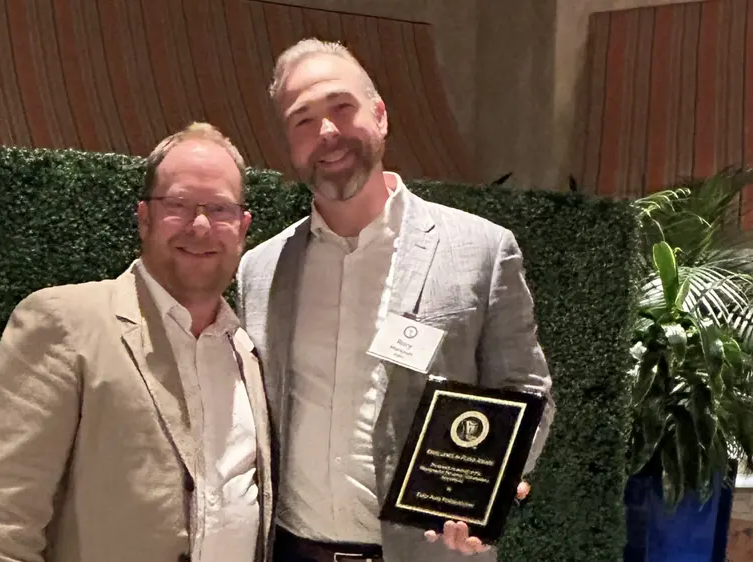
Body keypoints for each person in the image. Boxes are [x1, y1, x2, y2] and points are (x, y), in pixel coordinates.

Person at [235, 39, 555, 561]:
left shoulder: (482, 250)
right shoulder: (260, 269)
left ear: (380, 116)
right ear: (289, 143)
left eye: (342, 107)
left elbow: (525, 389)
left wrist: (493, 489)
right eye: (303, 120)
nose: (327, 131)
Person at [0, 122, 274, 562]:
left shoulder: (247, 351)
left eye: (220, 209)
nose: (201, 225)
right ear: (144, 218)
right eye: (178, 205)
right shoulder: (64, 323)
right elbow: (2, 521)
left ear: (242, 227)